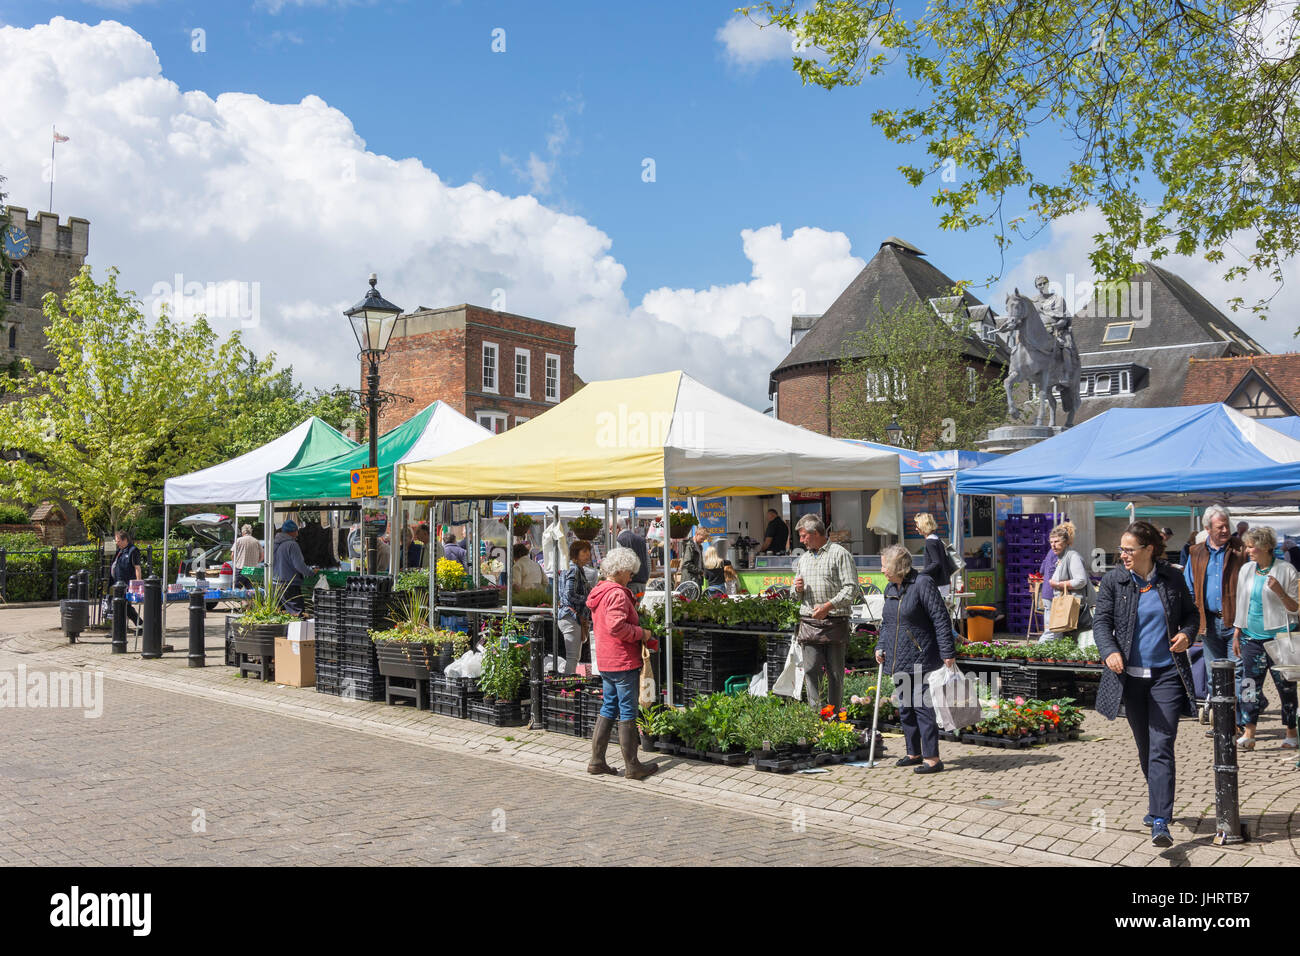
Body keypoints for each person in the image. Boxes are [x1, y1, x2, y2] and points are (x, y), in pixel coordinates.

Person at [1093, 521, 1199, 848]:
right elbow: (1101, 622)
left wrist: (1186, 634)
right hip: (1130, 678)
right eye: (1122, 549)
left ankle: (1160, 820)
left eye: (1129, 549)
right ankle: (1157, 800)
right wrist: (1109, 651)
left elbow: (1191, 615)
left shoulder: (1172, 578)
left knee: (1162, 745)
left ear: (1149, 549)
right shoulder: (1114, 581)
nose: (1123, 555)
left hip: (1166, 674)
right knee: (1146, 748)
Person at [875, 544, 955, 774]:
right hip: (898, 657)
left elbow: (941, 619)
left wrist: (947, 652)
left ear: (898, 566)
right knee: (906, 707)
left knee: (921, 706)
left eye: (884, 566)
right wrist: (880, 646)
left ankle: (932, 758)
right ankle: (913, 752)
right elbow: (887, 623)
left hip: (921, 655)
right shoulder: (890, 588)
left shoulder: (923, 584)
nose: (882, 571)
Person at [585, 546, 661, 780]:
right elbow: (616, 626)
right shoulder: (617, 594)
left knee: (609, 706)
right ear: (619, 571)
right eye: (629, 572)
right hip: (622, 660)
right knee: (627, 709)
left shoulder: (600, 591)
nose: (631, 577)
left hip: (606, 659)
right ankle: (632, 765)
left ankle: (597, 761)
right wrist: (642, 633)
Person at [1231, 526, 1300, 751]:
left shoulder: (1286, 570)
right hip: (1251, 638)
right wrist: (1237, 630)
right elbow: (1242, 602)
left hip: (1280, 639)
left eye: (1252, 546)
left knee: (1286, 688)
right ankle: (1249, 732)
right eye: (1247, 546)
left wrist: (1279, 591)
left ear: (1266, 547)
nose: (1248, 550)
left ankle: (1291, 732)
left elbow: (1295, 608)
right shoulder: (1246, 570)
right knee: (1249, 686)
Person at [1185, 505, 1246, 730]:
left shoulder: (1241, 550)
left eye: (1226, 526)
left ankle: (1236, 722)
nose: (1225, 530)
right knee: (1214, 675)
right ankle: (1221, 721)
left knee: (1237, 673)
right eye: (1220, 527)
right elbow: (1190, 588)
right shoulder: (1196, 552)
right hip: (1209, 622)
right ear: (1208, 528)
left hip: (1236, 622)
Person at [791, 515, 858, 710]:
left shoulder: (840, 554)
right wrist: (797, 589)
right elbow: (794, 595)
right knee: (811, 671)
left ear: (814, 534)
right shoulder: (803, 559)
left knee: (835, 673)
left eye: (804, 536)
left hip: (834, 621)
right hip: (810, 623)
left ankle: (834, 715)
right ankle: (816, 716)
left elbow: (851, 588)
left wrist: (828, 606)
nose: (801, 541)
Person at [1039, 521, 1090, 642]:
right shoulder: (1059, 554)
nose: (1053, 545)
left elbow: (1042, 570)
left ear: (1066, 541)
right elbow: (1080, 580)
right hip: (1054, 596)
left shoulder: (1068, 556)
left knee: (1058, 631)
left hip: (1055, 595)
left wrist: (1059, 584)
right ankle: (1038, 654)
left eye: (1056, 542)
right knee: (1054, 631)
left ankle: (1048, 656)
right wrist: (1058, 584)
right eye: (1051, 542)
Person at [558, 541, 593, 676]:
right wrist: (588, 600)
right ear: (575, 554)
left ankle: (568, 685)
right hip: (571, 616)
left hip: (571, 616)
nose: (588, 555)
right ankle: (567, 688)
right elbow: (569, 594)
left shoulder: (576, 568)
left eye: (588, 551)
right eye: (584, 552)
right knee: (573, 657)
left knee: (574, 656)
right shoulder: (574, 569)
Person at [272, 520, 313, 616]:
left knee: (281, 615)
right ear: (293, 531)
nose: (298, 533)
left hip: (276, 584)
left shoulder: (274, 544)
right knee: (297, 614)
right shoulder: (292, 545)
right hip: (289, 585)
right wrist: (311, 572)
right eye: (296, 531)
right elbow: (299, 565)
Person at [110, 530, 144, 626]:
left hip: (126, 584)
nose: (117, 543)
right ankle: (119, 628)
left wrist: (138, 584)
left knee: (125, 607)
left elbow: (137, 568)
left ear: (125, 540)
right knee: (120, 607)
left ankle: (140, 625)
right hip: (117, 584)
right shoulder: (119, 551)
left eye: (118, 541)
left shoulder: (133, 551)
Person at [914, 512, 952, 597]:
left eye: (917, 526)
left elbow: (936, 562)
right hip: (943, 581)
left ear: (923, 526)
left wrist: (921, 573)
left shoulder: (930, 542)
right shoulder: (937, 539)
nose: (916, 529)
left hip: (937, 583)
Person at [616, 520, 651, 599]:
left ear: (618, 528)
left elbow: (620, 564)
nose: (610, 532)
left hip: (628, 585)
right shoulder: (641, 540)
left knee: (629, 609)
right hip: (642, 585)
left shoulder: (620, 540)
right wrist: (645, 578)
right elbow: (648, 562)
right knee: (637, 608)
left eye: (611, 529)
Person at [231, 524, 263, 589]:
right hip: (252, 570)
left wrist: (235, 563)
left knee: (236, 590)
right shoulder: (256, 541)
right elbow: (262, 555)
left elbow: (232, 555)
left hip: (240, 568)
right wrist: (257, 562)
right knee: (251, 592)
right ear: (251, 532)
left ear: (243, 532)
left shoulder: (238, 540)